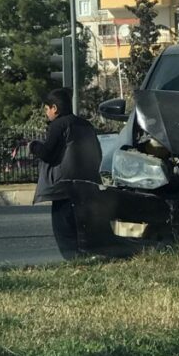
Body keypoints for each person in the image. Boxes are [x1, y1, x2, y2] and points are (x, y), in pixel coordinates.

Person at [29, 88, 102, 256]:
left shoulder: (58, 125)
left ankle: (74, 260)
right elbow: (97, 152)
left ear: (54, 108)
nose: (47, 113)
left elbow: (48, 154)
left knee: (64, 230)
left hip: (64, 188)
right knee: (83, 227)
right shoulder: (86, 124)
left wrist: (33, 146)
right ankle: (87, 257)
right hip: (88, 184)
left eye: (47, 109)